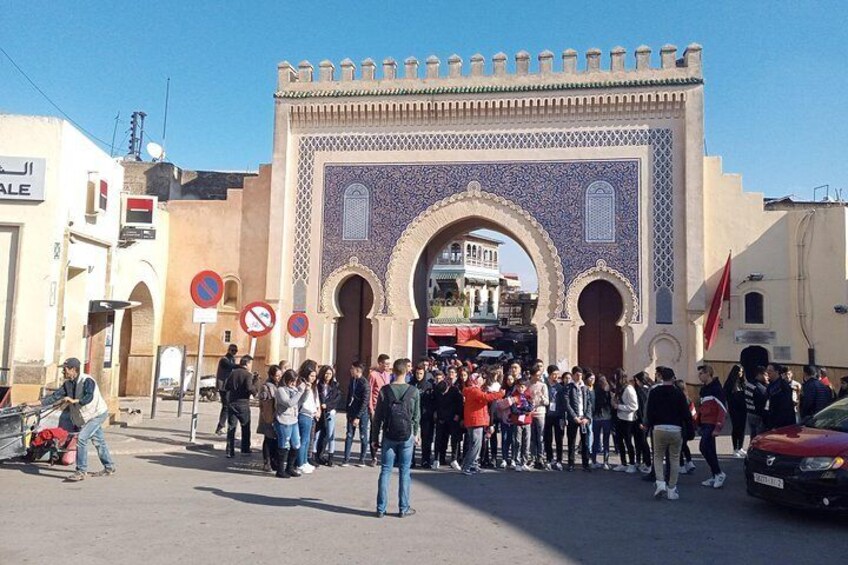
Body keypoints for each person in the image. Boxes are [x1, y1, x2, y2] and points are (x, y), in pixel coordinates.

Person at [26, 358, 114, 482]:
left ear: (73, 369)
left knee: (82, 438)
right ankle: (109, 467)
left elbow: (88, 397)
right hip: (85, 417)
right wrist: (33, 404)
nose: (63, 372)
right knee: (99, 441)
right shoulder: (68, 384)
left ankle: (81, 471)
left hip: (97, 414)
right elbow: (53, 398)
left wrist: (74, 401)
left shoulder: (87, 380)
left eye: (65, 369)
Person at [371, 358, 420, 518]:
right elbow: (416, 416)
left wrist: (374, 437)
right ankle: (403, 508)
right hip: (406, 435)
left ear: (393, 371)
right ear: (406, 371)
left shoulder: (385, 391)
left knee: (385, 470)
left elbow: (377, 417)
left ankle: (381, 508)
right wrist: (416, 433)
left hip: (389, 434)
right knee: (405, 471)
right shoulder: (413, 391)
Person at [644, 366, 690, 500]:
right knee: (674, 459)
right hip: (676, 429)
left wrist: (648, 425)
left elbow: (649, 411)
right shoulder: (678, 394)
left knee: (658, 457)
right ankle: (672, 489)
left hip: (658, 428)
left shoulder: (654, 392)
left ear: (661, 377)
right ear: (673, 378)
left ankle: (660, 483)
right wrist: (689, 430)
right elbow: (685, 414)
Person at [460, 372, 505, 475]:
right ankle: (466, 466)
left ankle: (473, 465)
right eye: (479, 378)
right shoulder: (473, 390)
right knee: (475, 445)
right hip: (475, 420)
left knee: (475, 444)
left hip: (476, 420)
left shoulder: (473, 390)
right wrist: (500, 394)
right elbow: (486, 398)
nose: (482, 380)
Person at [697, 364, 727, 489]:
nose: (699, 376)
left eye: (701, 374)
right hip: (704, 423)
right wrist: (698, 422)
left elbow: (722, 409)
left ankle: (719, 473)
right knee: (711, 450)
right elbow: (701, 408)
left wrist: (718, 427)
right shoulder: (703, 390)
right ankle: (715, 474)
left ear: (708, 373)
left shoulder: (716, 389)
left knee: (703, 447)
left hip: (712, 423)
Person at [224, 355, 259, 458]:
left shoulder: (233, 373)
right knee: (245, 427)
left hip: (232, 403)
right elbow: (249, 388)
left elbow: (226, 387)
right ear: (247, 363)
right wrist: (255, 384)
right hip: (243, 404)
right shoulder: (248, 375)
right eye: (250, 363)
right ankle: (245, 449)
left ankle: (229, 451)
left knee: (231, 427)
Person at [274, 369, 307, 478]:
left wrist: (306, 391)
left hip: (294, 420)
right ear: (286, 380)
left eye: (295, 381)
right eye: (292, 381)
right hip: (284, 421)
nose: (294, 383)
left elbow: (300, 402)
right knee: (284, 445)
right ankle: (280, 470)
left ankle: (290, 467)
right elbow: (289, 403)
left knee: (296, 444)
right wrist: (300, 392)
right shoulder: (280, 390)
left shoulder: (294, 389)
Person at [433, 366, 463, 470]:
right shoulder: (437, 390)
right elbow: (436, 403)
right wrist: (436, 413)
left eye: (444, 392)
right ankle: (436, 459)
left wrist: (458, 415)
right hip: (441, 418)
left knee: (454, 440)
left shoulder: (455, 390)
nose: (443, 394)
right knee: (439, 439)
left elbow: (460, 404)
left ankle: (454, 459)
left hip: (453, 418)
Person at [342, 362, 371, 467]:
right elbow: (349, 396)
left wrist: (358, 416)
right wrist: (347, 410)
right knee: (349, 435)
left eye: (352, 369)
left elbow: (365, 401)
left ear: (358, 370)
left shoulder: (365, 383)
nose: (350, 370)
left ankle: (362, 459)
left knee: (363, 436)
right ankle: (346, 459)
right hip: (351, 411)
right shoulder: (352, 380)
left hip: (362, 413)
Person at [367, 354, 392, 467]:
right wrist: (371, 409)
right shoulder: (373, 375)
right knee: (374, 432)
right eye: (386, 364)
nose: (388, 366)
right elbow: (370, 392)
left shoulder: (388, 375)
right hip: (376, 407)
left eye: (389, 364)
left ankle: (384, 455)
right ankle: (374, 457)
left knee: (386, 430)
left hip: (386, 407)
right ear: (380, 363)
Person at [565, 367, 591, 472]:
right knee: (571, 441)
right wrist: (574, 416)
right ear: (573, 375)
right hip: (574, 418)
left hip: (583, 418)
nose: (579, 377)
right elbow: (567, 404)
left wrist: (587, 417)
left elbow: (589, 403)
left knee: (585, 442)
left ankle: (586, 463)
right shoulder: (568, 388)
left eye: (581, 375)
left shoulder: (585, 388)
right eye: (577, 375)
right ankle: (571, 463)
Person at [296, 361, 320, 474]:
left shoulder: (312, 386)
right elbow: (302, 401)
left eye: (315, 376)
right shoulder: (302, 385)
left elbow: (314, 400)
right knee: (304, 440)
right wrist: (307, 390)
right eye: (311, 376)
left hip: (310, 415)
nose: (313, 378)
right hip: (303, 414)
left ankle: (305, 461)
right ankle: (300, 463)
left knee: (308, 440)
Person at [612, 372, 639, 473]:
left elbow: (634, 406)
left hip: (628, 419)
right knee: (619, 441)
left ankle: (632, 463)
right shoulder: (620, 389)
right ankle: (623, 463)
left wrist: (619, 406)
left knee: (628, 442)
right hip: (620, 418)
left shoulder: (629, 389)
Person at [257, 364, 282, 472]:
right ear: (271, 376)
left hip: (278, 417)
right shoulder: (266, 386)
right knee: (268, 439)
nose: (279, 377)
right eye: (277, 376)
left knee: (276, 440)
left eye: (280, 375)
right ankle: (267, 462)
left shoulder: (280, 385)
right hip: (268, 416)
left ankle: (274, 461)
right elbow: (264, 403)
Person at [315, 365, 340, 466]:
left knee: (329, 435)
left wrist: (327, 406)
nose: (327, 376)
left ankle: (330, 457)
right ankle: (314, 455)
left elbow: (337, 399)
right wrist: (320, 406)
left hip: (330, 412)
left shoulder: (335, 385)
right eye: (326, 373)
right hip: (320, 411)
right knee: (317, 434)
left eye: (330, 374)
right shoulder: (318, 385)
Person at [411, 363, 435, 468]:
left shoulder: (428, 385)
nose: (418, 375)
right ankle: (411, 460)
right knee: (412, 438)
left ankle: (425, 460)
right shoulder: (411, 384)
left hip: (426, 415)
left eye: (421, 373)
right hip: (413, 415)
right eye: (417, 373)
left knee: (426, 439)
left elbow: (433, 401)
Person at [508, 378, 534, 471]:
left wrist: (524, 409)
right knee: (517, 442)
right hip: (517, 422)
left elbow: (531, 407)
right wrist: (524, 410)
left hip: (527, 421)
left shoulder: (528, 395)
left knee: (526, 442)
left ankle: (524, 462)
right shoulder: (513, 396)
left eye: (522, 387)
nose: (521, 388)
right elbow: (514, 410)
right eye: (519, 386)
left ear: (525, 387)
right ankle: (517, 461)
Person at [722, 365, 748, 457]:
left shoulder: (742, 383)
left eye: (741, 372)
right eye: (738, 371)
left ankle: (740, 447)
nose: (740, 373)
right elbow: (725, 396)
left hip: (743, 408)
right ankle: (735, 448)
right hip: (734, 408)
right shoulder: (729, 384)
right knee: (736, 428)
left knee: (742, 428)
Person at [527, 366, 550, 469]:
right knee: (532, 437)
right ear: (532, 375)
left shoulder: (543, 385)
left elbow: (547, 402)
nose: (539, 377)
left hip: (540, 413)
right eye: (537, 375)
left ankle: (540, 458)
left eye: (540, 375)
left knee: (540, 437)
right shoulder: (527, 384)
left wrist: (541, 397)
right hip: (530, 413)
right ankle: (532, 457)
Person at [544, 366, 565, 470]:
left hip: (558, 415)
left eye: (557, 374)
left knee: (559, 439)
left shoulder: (560, 387)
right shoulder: (545, 385)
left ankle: (559, 460)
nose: (556, 376)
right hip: (547, 415)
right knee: (548, 438)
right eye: (554, 374)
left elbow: (563, 403)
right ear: (549, 374)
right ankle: (549, 458)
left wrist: (563, 417)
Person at [215, 344, 239, 435]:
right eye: (232, 350)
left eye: (235, 351)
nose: (234, 352)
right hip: (223, 387)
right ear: (228, 350)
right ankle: (220, 427)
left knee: (228, 406)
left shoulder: (232, 359)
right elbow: (230, 366)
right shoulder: (224, 360)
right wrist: (241, 366)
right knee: (226, 406)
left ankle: (223, 426)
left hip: (229, 386)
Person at [674, 379, 697, 475]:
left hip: (679, 426)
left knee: (678, 446)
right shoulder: (688, 399)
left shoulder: (677, 399)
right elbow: (693, 414)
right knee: (684, 445)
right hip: (688, 426)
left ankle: (681, 466)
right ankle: (690, 462)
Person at [632, 371, 653, 473]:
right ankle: (641, 461)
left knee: (642, 442)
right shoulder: (650, 389)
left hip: (641, 421)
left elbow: (641, 408)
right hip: (647, 420)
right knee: (641, 441)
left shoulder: (640, 391)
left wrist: (641, 421)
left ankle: (647, 463)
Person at [591, 374, 613, 470]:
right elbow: (611, 405)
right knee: (606, 440)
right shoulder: (608, 392)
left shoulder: (595, 391)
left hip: (596, 418)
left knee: (596, 440)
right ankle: (605, 462)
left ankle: (594, 461)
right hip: (606, 418)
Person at [766, 365, 796, 430]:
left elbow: (785, 406)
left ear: (777, 372)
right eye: (767, 370)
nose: (768, 373)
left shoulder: (783, 385)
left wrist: (776, 424)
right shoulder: (770, 385)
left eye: (770, 371)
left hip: (782, 423)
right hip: (772, 420)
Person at [745, 366, 769, 444]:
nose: (767, 377)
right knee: (759, 437)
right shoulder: (760, 388)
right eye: (765, 375)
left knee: (753, 435)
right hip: (758, 415)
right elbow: (762, 405)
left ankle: (751, 451)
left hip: (750, 413)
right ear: (759, 375)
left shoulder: (749, 384)